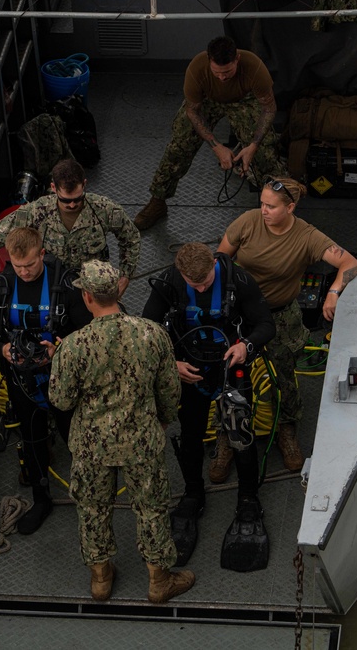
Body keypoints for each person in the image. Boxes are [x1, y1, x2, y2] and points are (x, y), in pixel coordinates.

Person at [48, 260, 194, 604]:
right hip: (141, 440)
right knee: (152, 509)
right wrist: (161, 422)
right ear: (117, 291)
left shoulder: (73, 345)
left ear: (86, 297)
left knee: (93, 509)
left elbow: (61, 400)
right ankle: (159, 582)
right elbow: (170, 391)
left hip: (91, 444)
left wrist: (59, 360)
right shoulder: (151, 333)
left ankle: (101, 580)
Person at [142, 242, 276, 572]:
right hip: (189, 371)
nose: (200, 288)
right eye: (194, 284)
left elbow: (266, 325)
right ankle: (192, 494)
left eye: (204, 282)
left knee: (240, 436)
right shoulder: (170, 281)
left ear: (213, 266)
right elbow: (148, 329)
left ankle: (248, 498)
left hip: (231, 367)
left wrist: (246, 345)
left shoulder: (239, 281)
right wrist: (171, 363)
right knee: (189, 434)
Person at [217, 176, 357, 474]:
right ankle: (226, 435)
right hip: (240, 315)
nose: (264, 211)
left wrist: (333, 293)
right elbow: (221, 260)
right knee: (229, 375)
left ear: (290, 207)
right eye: (262, 204)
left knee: (283, 375)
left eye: (271, 206)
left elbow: (351, 263)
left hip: (280, 316)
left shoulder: (307, 237)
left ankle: (286, 428)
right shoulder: (247, 222)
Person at [0, 227, 90, 534]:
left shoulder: (66, 285)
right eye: (17, 266)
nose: (24, 272)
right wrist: (3, 349)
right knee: (32, 438)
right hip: (22, 380)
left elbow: (89, 330)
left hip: (64, 378)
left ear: (42, 255)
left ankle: (90, 494)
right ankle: (41, 497)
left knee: (76, 437)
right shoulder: (0, 287)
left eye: (30, 265)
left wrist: (62, 347)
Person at [0, 158, 140, 297]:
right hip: (51, 287)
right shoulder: (38, 212)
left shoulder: (104, 209)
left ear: (84, 185)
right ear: (53, 188)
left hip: (94, 288)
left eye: (77, 198)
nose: (72, 205)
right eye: (65, 200)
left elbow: (130, 238)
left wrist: (125, 276)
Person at [134, 36, 287, 231]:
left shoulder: (254, 68)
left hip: (244, 101)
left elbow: (269, 108)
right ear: (209, 61)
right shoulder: (197, 69)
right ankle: (157, 202)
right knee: (179, 146)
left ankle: (277, 209)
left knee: (265, 153)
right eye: (217, 73)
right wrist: (216, 146)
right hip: (207, 100)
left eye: (227, 72)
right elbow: (192, 110)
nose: (222, 77)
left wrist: (253, 145)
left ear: (237, 59)